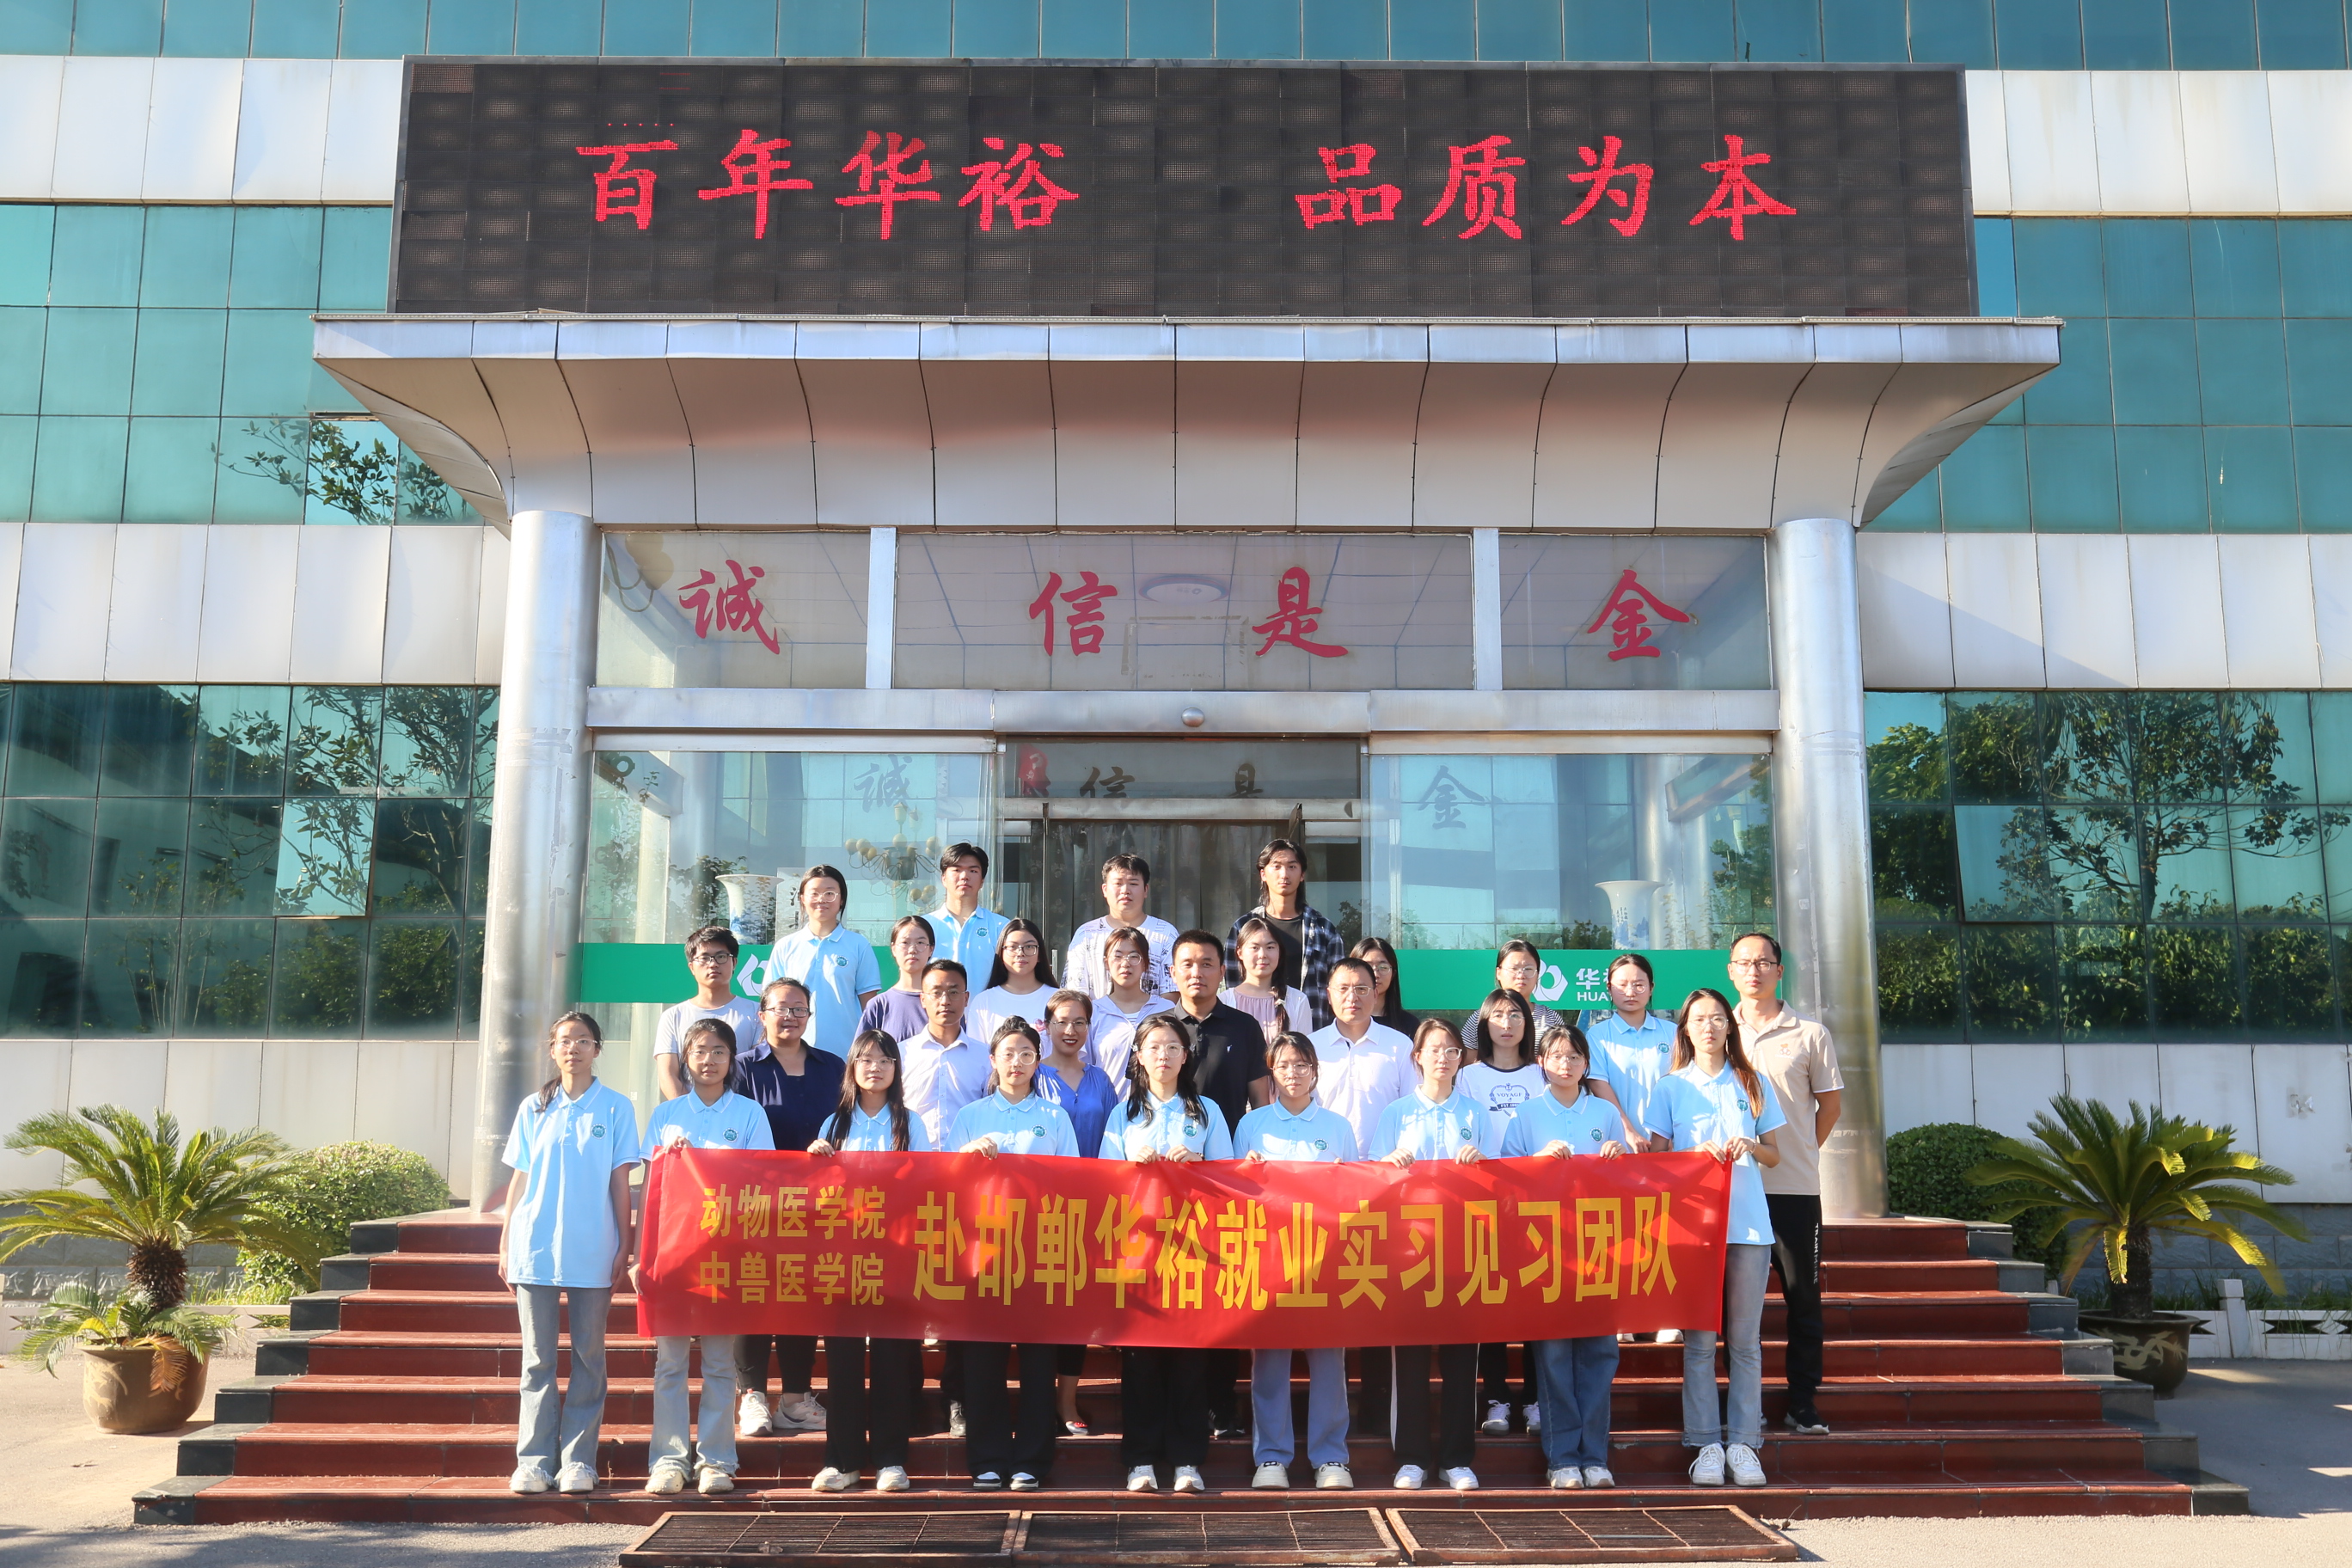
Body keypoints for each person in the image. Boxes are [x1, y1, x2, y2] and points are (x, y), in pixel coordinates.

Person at [495, 1012, 641, 1497]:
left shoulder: (616, 1107)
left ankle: (578, 1460)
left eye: (582, 1040)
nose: (573, 1048)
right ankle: (534, 1462)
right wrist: (506, 1240)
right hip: (534, 1244)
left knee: (588, 1356)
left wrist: (625, 1242)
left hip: (593, 1244)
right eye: (564, 1041)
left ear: (597, 1048)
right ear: (552, 1049)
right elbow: (519, 1177)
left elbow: (620, 1181)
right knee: (537, 1359)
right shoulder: (534, 1106)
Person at [1646, 987, 1785, 1490]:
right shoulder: (1670, 1087)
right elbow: (1656, 1162)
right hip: (1694, 1231)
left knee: (1745, 1343)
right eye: (1699, 1019)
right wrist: (1690, 1158)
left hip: (1748, 1226)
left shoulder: (1753, 1081)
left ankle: (1744, 1444)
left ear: (1730, 1026)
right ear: (1685, 1029)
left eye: (1717, 1018)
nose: (1708, 1027)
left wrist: (1751, 1144)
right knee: (1700, 1344)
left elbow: (1775, 1155)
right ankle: (1705, 1444)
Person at [638, 1018, 773, 1497]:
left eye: (719, 1051)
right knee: (670, 1364)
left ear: (732, 1058)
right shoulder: (667, 1115)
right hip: (673, 1255)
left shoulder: (751, 1113)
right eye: (699, 1051)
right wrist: (641, 1255)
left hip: (728, 1255)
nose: (709, 1060)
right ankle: (669, 1460)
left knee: (718, 1363)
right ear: (685, 1059)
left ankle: (717, 1461)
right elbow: (650, 1191)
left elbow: (762, 1181)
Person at [945, 1019, 1081, 1491]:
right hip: (983, 1254)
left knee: (1039, 1364)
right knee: (983, 1362)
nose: (1017, 1062)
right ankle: (987, 1457)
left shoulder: (1055, 1117)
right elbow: (943, 1183)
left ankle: (1032, 1461)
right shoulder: (971, 1115)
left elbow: (1073, 1184)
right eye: (1008, 1053)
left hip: (1039, 1252)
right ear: (992, 1060)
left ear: (1037, 1061)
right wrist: (965, 1155)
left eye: (1026, 1054)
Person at [1100, 1014, 1234, 1493]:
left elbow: (1230, 1178)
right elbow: (1102, 1182)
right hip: (1140, 1250)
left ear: (1185, 1056)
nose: (1163, 1055)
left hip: (1195, 1252)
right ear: (1139, 1056)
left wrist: (1199, 1164)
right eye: (1154, 1047)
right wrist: (1130, 1167)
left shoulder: (1207, 1111)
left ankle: (1186, 1461)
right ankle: (1140, 1460)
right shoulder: (1123, 1114)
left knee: (1189, 1362)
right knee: (1141, 1361)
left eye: (1173, 1047)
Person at [1504, 1026, 1639, 1490]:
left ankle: (1595, 1456)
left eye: (1575, 1057)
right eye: (1557, 1056)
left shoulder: (1604, 1112)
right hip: (1546, 1250)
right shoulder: (1525, 1113)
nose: (1566, 1064)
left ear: (1586, 1064)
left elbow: (1627, 1185)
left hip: (1599, 1248)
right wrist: (1537, 1160)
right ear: (1541, 1062)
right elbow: (1505, 1181)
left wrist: (1619, 1157)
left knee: (1600, 1353)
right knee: (1555, 1356)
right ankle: (1562, 1458)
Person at [1374, 1018, 1499, 1493]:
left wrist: (1481, 1163)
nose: (1443, 1058)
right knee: (1409, 1359)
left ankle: (1456, 1459)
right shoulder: (1397, 1113)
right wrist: (1388, 1164)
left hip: (1464, 1250)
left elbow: (1501, 1177)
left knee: (1461, 1360)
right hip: (1408, 1251)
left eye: (1451, 1050)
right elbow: (1370, 1178)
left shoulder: (1476, 1112)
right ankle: (1411, 1458)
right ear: (1417, 1057)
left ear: (1461, 1058)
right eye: (1434, 1049)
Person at [1159, 928, 1272, 1439]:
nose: (1197, 972)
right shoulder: (1161, 1027)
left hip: (1225, 1180)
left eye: (1206, 963)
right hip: (1167, 1183)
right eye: (1187, 963)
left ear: (1222, 971)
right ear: (1172, 971)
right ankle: (1176, 1404)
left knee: (1223, 1290)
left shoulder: (1243, 1027)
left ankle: (1221, 1406)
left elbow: (1261, 1102)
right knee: (1174, 1291)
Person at [806, 1029, 932, 1493]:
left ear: (896, 1069)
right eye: (865, 1059)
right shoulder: (835, 1123)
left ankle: (890, 1460)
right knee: (842, 1362)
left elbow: (925, 1185)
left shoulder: (910, 1123)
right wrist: (815, 1160)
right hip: (843, 1257)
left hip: (896, 1256)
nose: (874, 1068)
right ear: (852, 1068)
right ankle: (841, 1461)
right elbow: (819, 1195)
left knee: (891, 1360)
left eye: (884, 1060)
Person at [1729, 932, 1843, 1439]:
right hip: (1734, 1189)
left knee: (1803, 1298)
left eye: (1763, 962)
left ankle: (1802, 1402)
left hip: (1793, 1188)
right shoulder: (1715, 1030)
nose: (1753, 971)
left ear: (1779, 970)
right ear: (1731, 971)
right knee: (1734, 1306)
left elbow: (1830, 1106)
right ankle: (1743, 1404)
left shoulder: (1810, 1034)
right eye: (1743, 962)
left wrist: (1802, 1151)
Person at [1234, 1032, 1359, 1491]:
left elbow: (1357, 1194)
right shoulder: (1252, 1125)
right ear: (1271, 1070)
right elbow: (1233, 1194)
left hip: (1325, 1258)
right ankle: (1271, 1457)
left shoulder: (1337, 1125)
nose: (1293, 1073)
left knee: (1329, 1361)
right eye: (1284, 1065)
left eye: (1302, 1065)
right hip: (1268, 1259)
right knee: (1270, 1362)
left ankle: (1331, 1457)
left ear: (1315, 1071)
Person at [1304, 955, 1415, 1435]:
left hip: (1384, 1190)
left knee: (1376, 1295)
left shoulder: (1399, 1047)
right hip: (1321, 1191)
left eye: (1362, 988)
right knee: (1327, 1295)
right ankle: (1324, 1411)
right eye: (1343, 988)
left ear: (1377, 992)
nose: (1353, 997)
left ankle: (1374, 1409)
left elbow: (1411, 1111)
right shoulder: (1310, 1047)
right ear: (1328, 995)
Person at [733, 977, 845, 1439]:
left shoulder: (832, 1066)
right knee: (756, 1294)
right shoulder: (742, 1067)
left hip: (817, 1204)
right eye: (781, 1008)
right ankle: (753, 1396)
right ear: (762, 1015)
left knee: (802, 1295)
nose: (791, 1017)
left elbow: (847, 1124)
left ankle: (796, 1399)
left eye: (800, 1009)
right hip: (756, 1201)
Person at [897, 958, 991, 1437]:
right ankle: (908, 1396)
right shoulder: (899, 1054)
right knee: (908, 1291)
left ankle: (958, 1397)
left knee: (961, 1293)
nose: (945, 1000)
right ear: (922, 998)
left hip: (967, 1190)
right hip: (909, 1188)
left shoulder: (986, 1057)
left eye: (954, 991)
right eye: (936, 991)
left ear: (967, 998)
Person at [1028, 989, 1119, 1437]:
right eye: (1062, 1021)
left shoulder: (1102, 1080)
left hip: (1093, 1208)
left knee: (1076, 1309)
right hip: (1039, 1209)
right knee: (1040, 1306)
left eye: (1079, 1022)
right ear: (1046, 1026)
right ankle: (1035, 1398)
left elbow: (1117, 1136)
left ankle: (1066, 1399)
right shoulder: (1030, 1073)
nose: (1071, 1030)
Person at [1454, 989, 1545, 1437]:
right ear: (1484, 1024)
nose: (1507, 1024)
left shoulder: (1542, 1073)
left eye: (1516, 1015)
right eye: (1498, 1016)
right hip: (1484, 1204)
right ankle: (1495, 1396)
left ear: (1528, 1023)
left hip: (1536, 1203)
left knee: (1534, 1301)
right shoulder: (1468, 1078)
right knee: (1490, 1298)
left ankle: (1534, 1398)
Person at [1222, 838, 1346, 1031]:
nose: (1284, 874)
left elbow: (1339, 988)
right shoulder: (1243, 927)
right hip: (1253, 1030)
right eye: (1277, 866)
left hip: (1313, 1032)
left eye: (1292, 867)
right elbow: (1233, 983)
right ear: (1263, 874)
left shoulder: (1324, 930)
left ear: (1302, 875)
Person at [770, 865, 880, 1055]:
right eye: (814, 893)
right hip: (792, 1055)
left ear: (841, 899)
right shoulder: (786, 946)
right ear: (802, 898)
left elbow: (869, 1008)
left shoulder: (858, 945)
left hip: (845, 1054)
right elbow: (772, 1005)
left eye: (830, 893)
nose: (821, 899)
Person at [653, 925, 762, 1100]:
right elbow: (668, 1075)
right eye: (704, 958)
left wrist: (741, 1110)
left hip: (741, 1110)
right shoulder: (673, 1016)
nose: (713, 964)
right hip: (688, 1111)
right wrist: (690, 1111)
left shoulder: (757, 1012)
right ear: (691, 967)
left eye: (721, 957)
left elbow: (759, 1071)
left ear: (734, 963)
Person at [1063, 853, 1179, 998]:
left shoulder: (1165, 933)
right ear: (1105, 890)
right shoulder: (1086, 934)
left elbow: (1172, 991)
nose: (1125, 891)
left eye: (1133, 884)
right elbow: (1075, 993)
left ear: (1145, 890)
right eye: (1118, 883)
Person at [1086, 926, 1174, 1082]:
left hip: (1155, 1099)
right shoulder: (1093, 1012)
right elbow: (1085, 1067)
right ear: (1106, 963)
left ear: (1145, 963)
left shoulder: (1167, 1009)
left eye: (1134, 956)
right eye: (1118, 956)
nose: (1125, 963)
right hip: (1107, 1098)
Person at [1460, 940, 1568, 1057]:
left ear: (1537, 974)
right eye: (1514, 969)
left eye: (1528, 969)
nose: (1521, 975)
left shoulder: (1550, 1018)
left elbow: (1562, 1059)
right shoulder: (1481, 1018)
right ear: (1498, 973)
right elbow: (1468, 1061)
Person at [1221, 915, 1312, 1046]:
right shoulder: (1223, 1002)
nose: (1262, 955)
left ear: (1279, 952)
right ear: (1239, 953)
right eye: (1255, 948)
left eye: (1270, 947)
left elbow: (1305, 1053)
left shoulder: (1297, 1000)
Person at [927, 842, 1012, 979]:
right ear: (944, 878)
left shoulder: (1001, 927)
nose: (964, 876)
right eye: (957, 870)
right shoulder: (925, 926)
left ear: (982, 881)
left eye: (973, 871)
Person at [971, 917, 1058, 1038]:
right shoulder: (983, 1002)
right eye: (1013, 947)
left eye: (1029, 947)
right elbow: (976, 1048)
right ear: (1001, 953)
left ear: (1040, 954)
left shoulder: (1058, 999)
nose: (1020, 953)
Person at [858, 916, 935, 1043]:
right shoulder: (879, 1005)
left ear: (931, 949)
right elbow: (863, 1053)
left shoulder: (942, 1003)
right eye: (905, 943)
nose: (912, 950)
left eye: (920, 943)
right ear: (893, 949)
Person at [1351, 936, 1418, 1036]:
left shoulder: (1410, 1024)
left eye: (1383, 967)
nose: (1375, 974)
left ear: (1393, 974)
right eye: (1367, 967)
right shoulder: (1340, 1023)